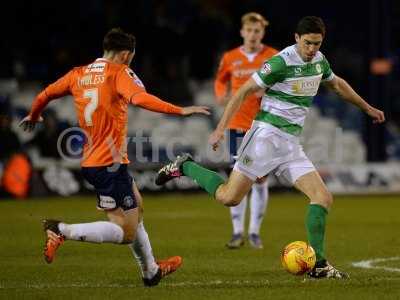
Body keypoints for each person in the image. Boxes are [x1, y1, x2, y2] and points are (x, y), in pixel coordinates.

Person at [155, 16, 385, 278]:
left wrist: (367, 107)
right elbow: (242, 92)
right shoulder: (280, 62)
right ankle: (185, 165)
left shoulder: (319, 60)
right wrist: (220, 129)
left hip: (290, 144)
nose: (312, 49)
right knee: (229, 198)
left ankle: (319, 265)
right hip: (265, 138)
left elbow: (337, 84)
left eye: (317, 44)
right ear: (297, 39)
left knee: (323, 198)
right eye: (307, 43)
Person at [19, 28, 210, 286]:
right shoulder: (119, 72)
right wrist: (180, 110)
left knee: (137, 206)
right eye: (131, 56)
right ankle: (61, 230)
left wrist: (33, 115)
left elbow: (45, 95)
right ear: (125, 54)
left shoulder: (78, 73)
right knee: (127, 232)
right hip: (109, 164)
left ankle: (151, 272)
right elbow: (140, 98)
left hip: (93, 162)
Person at [214, 12, 278, 249]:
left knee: (260, 180)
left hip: (265, 125)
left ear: (263, 33)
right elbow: (220, 80)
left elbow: (283, 82)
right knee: (238, 179)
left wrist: (270, 90)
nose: (252, 35)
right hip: (237, 125)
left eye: (257, 31)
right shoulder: (230, 57)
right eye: (249, 31)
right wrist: (221, 95)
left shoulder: (272, 56)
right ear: (242, 32)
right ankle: (237, 232)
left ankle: (254, 232)